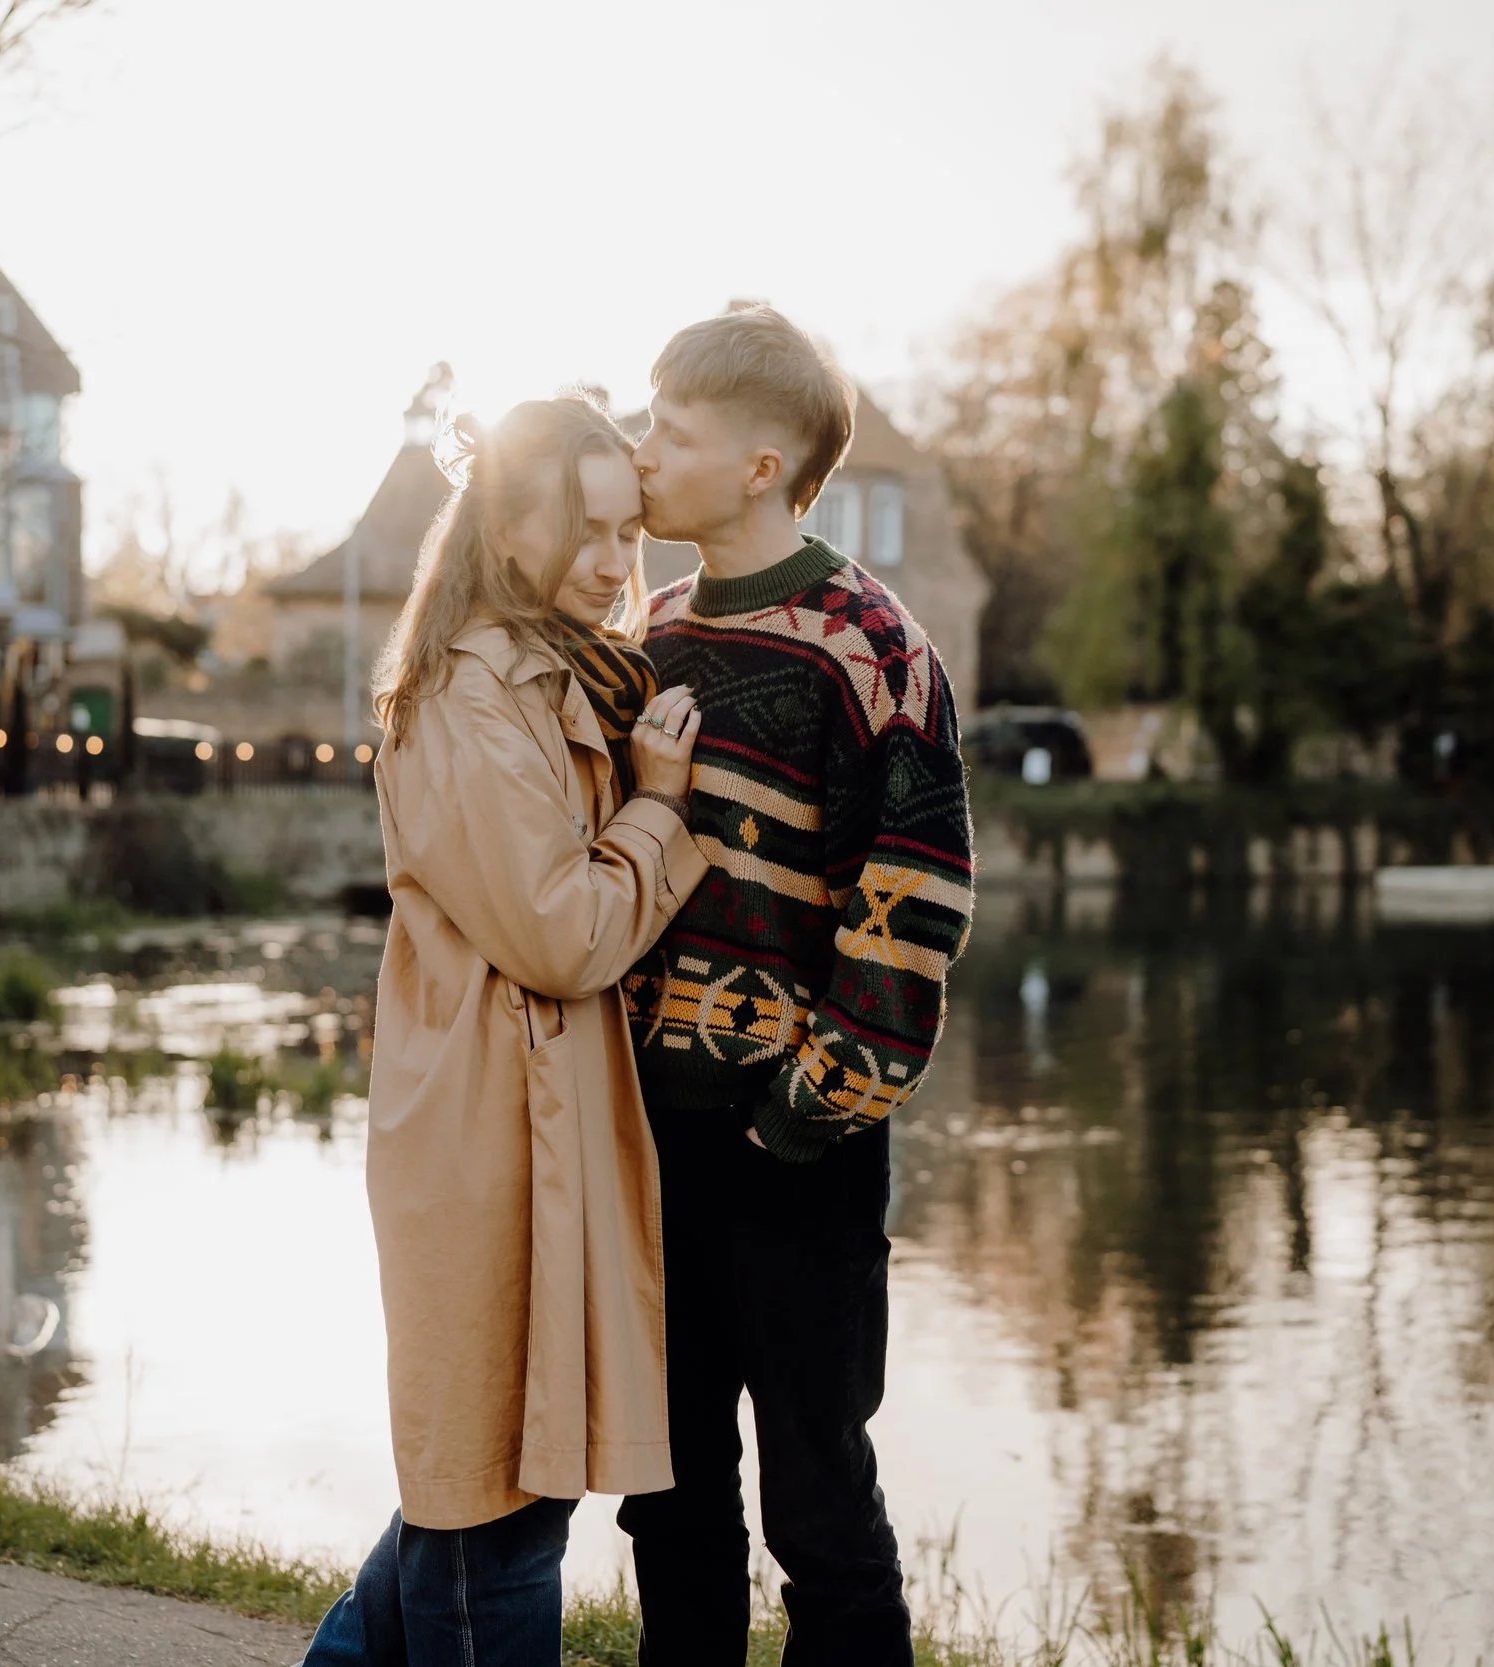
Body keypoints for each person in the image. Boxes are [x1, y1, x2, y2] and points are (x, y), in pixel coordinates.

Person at [300, 394, 709, 1667]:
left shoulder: (562, 673)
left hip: (539, 1128)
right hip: (488, 1143)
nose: (612, 560)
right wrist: (656, 809)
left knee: (475, 1497)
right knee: (498, 1512)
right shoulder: (479, 692)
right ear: (506, 523)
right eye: (583, 527)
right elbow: (561, 935)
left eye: (628, 532)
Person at [615, 305, 977, 1666]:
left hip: (798, 1149)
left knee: (819, 1501)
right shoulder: (646, 632)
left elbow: (913, 906)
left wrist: (803, 1108)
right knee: (668, 1492)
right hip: (651, 1136)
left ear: (761, 465)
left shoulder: (874, 647)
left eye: (673, 430)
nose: (645, 452)